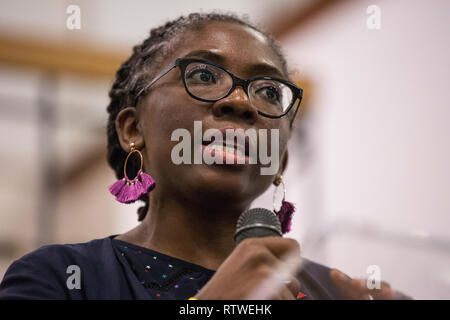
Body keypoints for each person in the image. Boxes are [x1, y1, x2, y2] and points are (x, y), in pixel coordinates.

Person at [0, 12, 402, 300]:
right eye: (205, 76)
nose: (243, 103)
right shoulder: (59, 278)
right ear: (133, 129)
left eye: (268, 92)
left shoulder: (335, 292)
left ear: (279, 161)